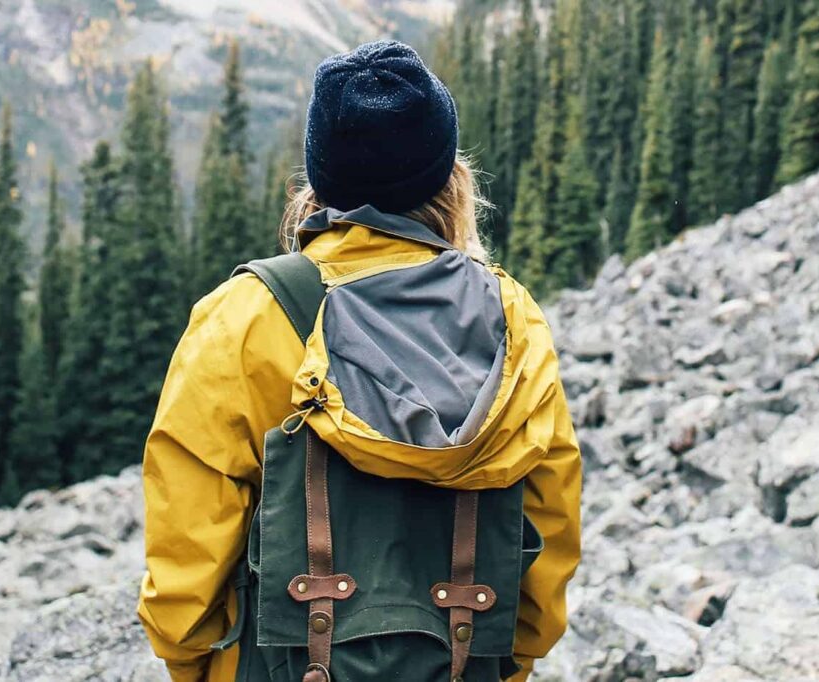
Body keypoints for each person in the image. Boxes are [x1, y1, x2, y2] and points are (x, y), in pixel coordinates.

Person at [138, 40, 581, 682]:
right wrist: (515, 656)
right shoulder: (512, 316)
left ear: (318, 181)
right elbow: (548, 510)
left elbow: (190, 523)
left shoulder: (244, 315)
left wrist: (192, 662)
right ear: (449, 178)